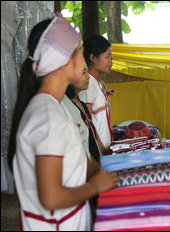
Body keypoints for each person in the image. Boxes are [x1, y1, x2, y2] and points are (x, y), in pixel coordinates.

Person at [7, 14, 119, 230]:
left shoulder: (55, 107)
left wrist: (106, 169)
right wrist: (94, 187)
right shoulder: (47, 115)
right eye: (79, 52)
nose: (84, 59)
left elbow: (74, 161)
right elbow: (51, 198)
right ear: (63, 60)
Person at [79, 35, 113, 150]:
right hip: (98, 153)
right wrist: (101, 149)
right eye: (107, 57)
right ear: (93, 58)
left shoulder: (99, 84)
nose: (111, 61)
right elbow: (88, 125)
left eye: (111, 57)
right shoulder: (88, 84)